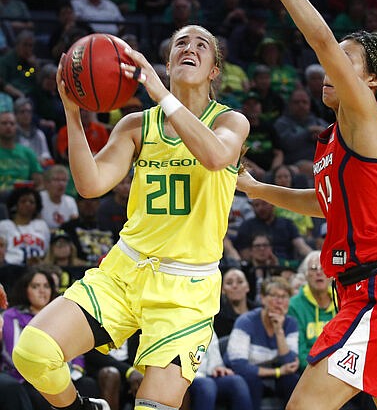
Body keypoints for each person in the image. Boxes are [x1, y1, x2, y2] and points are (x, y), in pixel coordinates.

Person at [231, 0, 377, 410]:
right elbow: (325, 206)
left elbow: (319, 37)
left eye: (344, 59)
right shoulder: (335, 140)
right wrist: (258, 190)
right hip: (366, 289)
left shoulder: (368, 115)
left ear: (371, 81)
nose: (329, 65)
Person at [12, 23, 249, 410]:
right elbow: (90, 185)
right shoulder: (137, 125)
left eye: (201, 44)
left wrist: (159, 92)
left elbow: (217, 157)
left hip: (186, 292)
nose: (190, 47)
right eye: (180, 43)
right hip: (125, 270)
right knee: (34, 353)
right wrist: (74, 114)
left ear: (214, 71)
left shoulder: (230, 122)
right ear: (169, 63)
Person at [1, 266, 100, 410]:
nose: (42, 291)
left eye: (46, 286)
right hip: (27, 375)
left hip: (65, 373)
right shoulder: (11, 316)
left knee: (88, 384)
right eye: (35, 286)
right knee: (42, 393)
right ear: (26, 290)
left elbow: (78, 345)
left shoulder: (64, 312)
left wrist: (76, 370)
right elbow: (12, 352)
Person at [226, 276, 299, 410]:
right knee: (251, 380)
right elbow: (239, 366)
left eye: (284, 297)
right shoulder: (245, 321)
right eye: (274, 296)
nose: (279, 302)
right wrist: (277, 372)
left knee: (293, 380)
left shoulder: (291, 323)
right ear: (263, 298)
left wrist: (279, 331)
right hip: (249, 374)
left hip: (276, 377)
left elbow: (289, 364)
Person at [288, 250, 335, 373]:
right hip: (309, 371)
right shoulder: (294, 305)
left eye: (323, 267)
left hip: (339, 370)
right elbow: (300, 351)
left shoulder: (341, 300)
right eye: (313, 269)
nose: (319, 272)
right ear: (306, 275)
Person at [187, 329, 253, 410]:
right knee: (207, 385)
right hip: (185, 377)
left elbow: (214, 361)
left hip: (206, 376)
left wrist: (218, 368)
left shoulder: (207, 325)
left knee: (237, 382)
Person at [0, 185, 50, 266]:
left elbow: (46, 251)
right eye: (23, 201)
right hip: (11, 267)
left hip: (37, 267)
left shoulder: (42, 225)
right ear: (15, 205)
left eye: (31, 202)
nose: (27, 204)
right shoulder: (4, 225)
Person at [214, 267, 257, 339]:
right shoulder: (217, 318)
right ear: (223, 290)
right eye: (229, 283)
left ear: (248, 287)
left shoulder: (259, 313)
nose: (235, 286)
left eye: (240, 282)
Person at [40, 164, 79, 231]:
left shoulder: (70, 201)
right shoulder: (39, 198)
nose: (61, 183)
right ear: (47, 183)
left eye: (64, 180)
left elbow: (74, 225)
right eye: (56, 180)